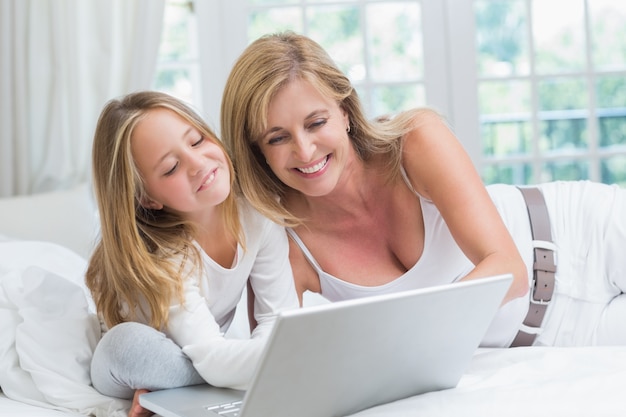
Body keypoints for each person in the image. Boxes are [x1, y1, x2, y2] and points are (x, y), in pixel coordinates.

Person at [220, 31, 626, 348]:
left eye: (315, 123)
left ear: (344, 111)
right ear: (258, 152)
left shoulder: (413, 141)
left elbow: (509, 269)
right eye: (277, 138)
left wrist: (397, 338)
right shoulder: (287, 249)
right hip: (551, 339)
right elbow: (273, 363)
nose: (305, 150)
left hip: (583, 237)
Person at [86, 91, 299, 417]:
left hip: (196, 350)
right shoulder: (166, 255)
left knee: (257, 350)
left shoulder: (257, 214)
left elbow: (275, 317)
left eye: (197, 141)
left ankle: (179, 389)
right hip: (131, 360)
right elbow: (213, 356)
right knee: (126, 345)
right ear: (147, 199)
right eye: (171, 168)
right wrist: (292, 360)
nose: (199, 164)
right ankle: (180, 383)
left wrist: (281, 353)